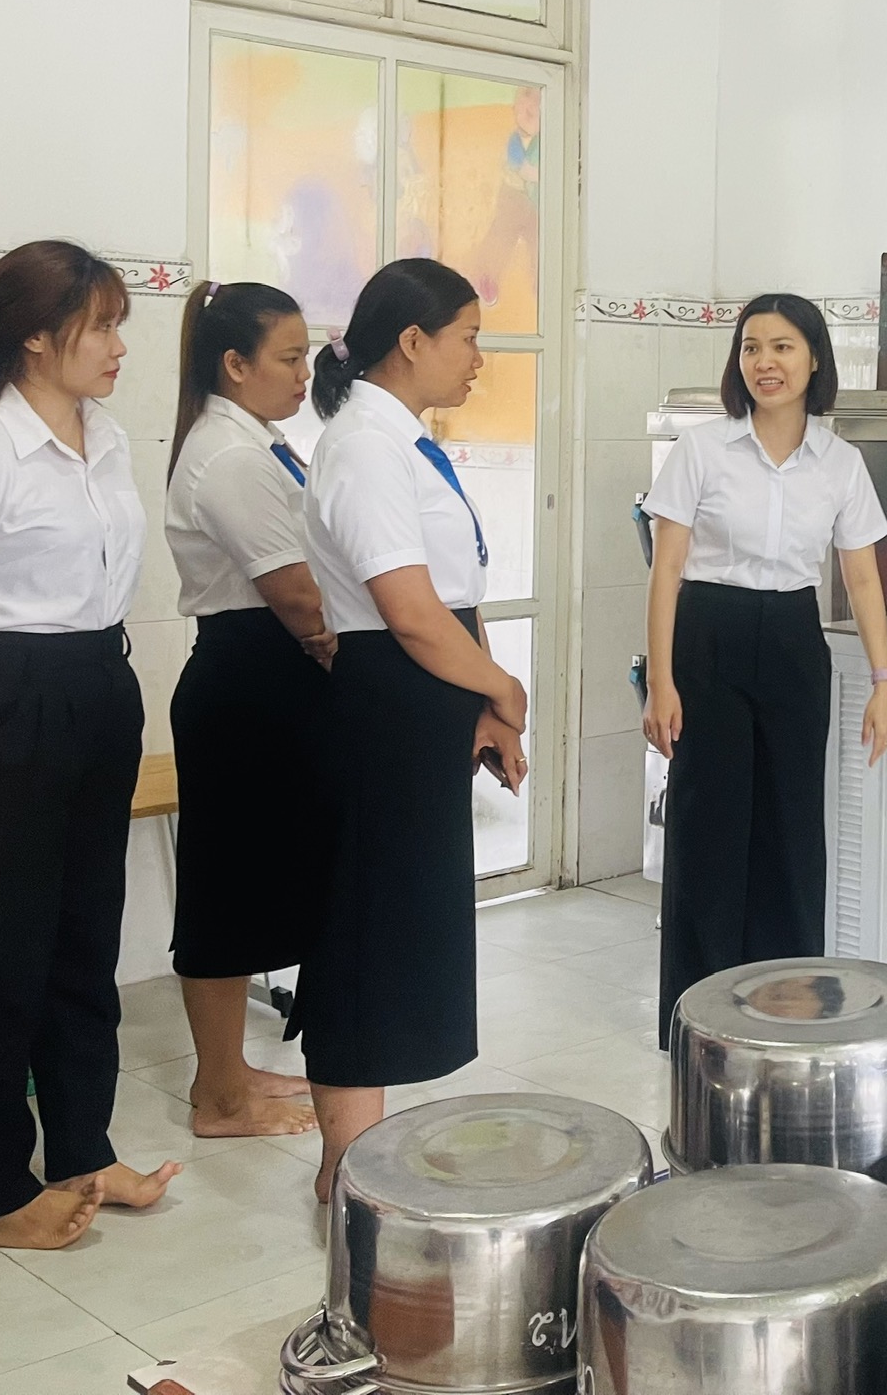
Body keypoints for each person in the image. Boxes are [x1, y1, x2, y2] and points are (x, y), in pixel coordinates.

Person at [0, 240, 174, 1248]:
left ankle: (82, 1148)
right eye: (100, 326)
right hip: (2, 700)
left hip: (98, 684)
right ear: (33, 338)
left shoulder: (106, 440)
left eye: (118, 327)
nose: (117, 347)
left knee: (84, 937)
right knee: (2, 951)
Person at [296, 258, 528, 1204]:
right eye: (468, 337)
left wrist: (482, 705)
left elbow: (453, 600)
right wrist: (506, 686)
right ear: (412, 340)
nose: (478, 358)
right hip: (387, 702)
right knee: (367, 931)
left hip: (427, 697)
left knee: (400, 929)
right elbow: (411, 612)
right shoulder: (363, 446)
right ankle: (343, 1167)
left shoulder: (405, 440)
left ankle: (364, 1154)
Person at [642, 293, 887, 1046]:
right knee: (708, 827)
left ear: (814, 359)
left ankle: (785, 1009)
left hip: (792, 637)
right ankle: (696, 1019)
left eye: (782, 347)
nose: (765, 363)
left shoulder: (840, 462)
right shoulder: (702, 449)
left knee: (791, 828)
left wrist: (884, 681)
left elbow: (862, 578)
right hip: (708, 635)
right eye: (751, 347)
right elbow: (665, 572)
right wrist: (661, 680)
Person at [163, 279, 331, 1137]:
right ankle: (219, 1098)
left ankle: (228, 1071)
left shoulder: (256, 441)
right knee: (225, 893)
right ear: (235, 363)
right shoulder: (228, 455)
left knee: (250, 886)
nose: (305, 375)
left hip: (269, 683)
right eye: (290, 358)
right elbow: (298, 597)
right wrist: (353, 660)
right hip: (248, 686)